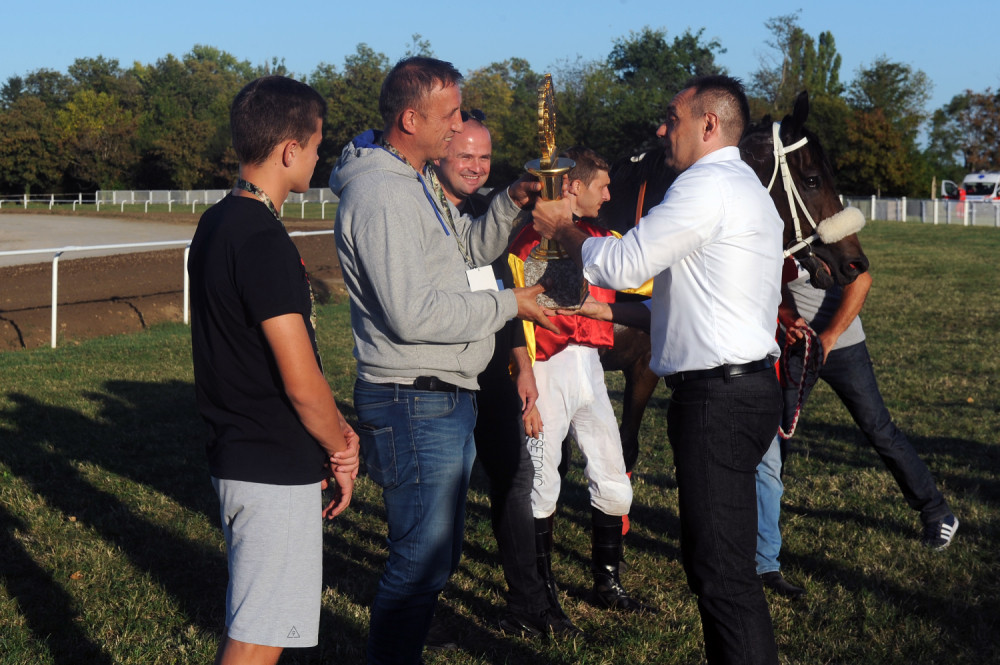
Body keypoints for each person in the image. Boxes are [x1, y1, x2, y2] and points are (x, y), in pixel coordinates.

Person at [532, 75, 784, 665]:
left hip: (718, 401)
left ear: (709, 124)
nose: (661, 128)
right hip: (742, 390)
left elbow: (623, 263)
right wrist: (602, 311)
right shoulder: (743, 187)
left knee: (721, 575)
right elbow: (690, 303)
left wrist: (562, 230)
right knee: (719, 566)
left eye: (672, 117)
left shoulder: (704, 185)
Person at [329, 56, 555, 665]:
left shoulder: (415, 181)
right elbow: (413, 315)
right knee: (417, 564)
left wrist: (510, 200)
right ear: (411, 119)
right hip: (412, 396)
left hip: (443, 394)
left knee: (437, 558)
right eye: (450, 114)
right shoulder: (382, 193)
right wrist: (510, 304)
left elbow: (469, 251)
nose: (459, 125)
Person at [188, 76, 359, 665]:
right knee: (258, 639)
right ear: (290, 150)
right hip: (270, 464)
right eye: (315, 145)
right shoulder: (262, 238)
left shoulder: (217, 222)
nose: (317, 158)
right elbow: (302, 381)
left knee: (257, 626)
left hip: (240, 453)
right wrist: (342, 446)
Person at [430, 114, 582, 638]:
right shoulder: (424, 210)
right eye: (465, 156)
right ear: (440, 153)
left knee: (515, 479)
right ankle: (421, 607)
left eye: (484, 157)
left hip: (493, 369)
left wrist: (522, 365)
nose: (476, 167)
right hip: (442, 373)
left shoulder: (485, 212)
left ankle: (528, 603)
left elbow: (503, 294)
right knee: (443, 494)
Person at [756, 261, 959, 597]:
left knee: (878, 429)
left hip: (842, 345)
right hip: (797, 346)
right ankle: (764, 534)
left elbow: (861, 281)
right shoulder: (771, 232)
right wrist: (789, 317)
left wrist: (830, 336)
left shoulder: (824, 233)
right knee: (777, 438)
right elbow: (774, 283)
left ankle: (937, 513)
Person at [509, 146, 651, 615]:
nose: (609, 195)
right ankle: (540, 590)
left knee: (612, 472)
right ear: (571, 186)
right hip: (545, 369)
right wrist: (522, 379)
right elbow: (512, 312)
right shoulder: (525, 240)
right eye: (602, 187)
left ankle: (607, 583)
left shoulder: (600, 237)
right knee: (542, 482)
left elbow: (647, 276)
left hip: (588, 365)